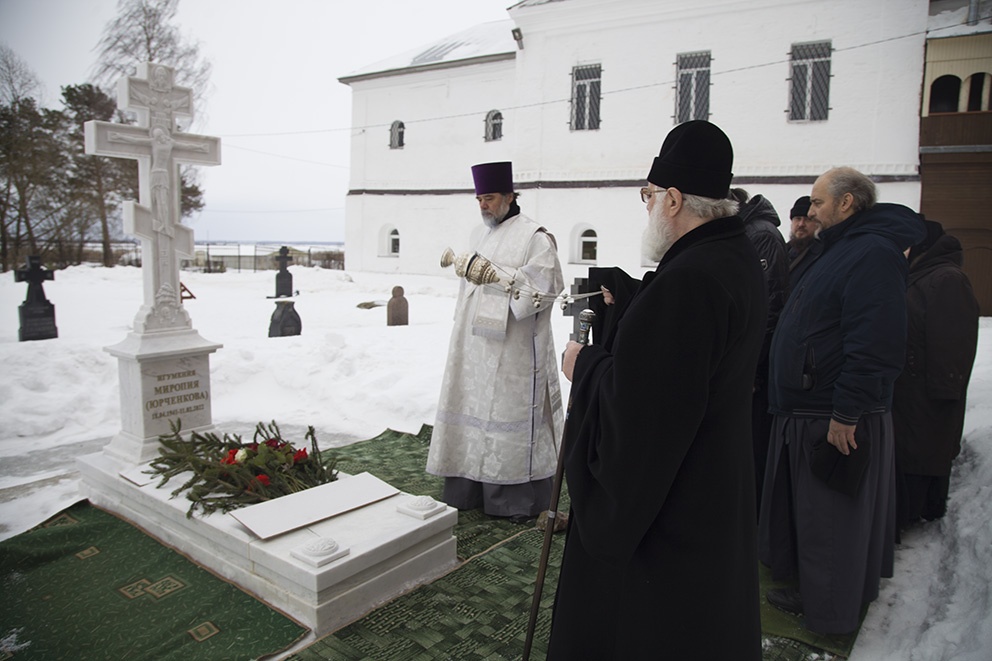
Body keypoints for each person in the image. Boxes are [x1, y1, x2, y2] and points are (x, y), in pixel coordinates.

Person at [548, 121, 766, 659]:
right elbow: (682, 361)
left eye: (648, 196)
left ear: (672, 199)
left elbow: (642, 420)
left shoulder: (690, 281)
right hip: (715, 488)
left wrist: (587, 365)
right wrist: (631, 303)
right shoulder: (733, 256)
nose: (645, 206)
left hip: (672, 521)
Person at [759, 167, 925, 635]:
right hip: (811, 408)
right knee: (817, 522)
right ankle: (818, 593)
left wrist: (846, 411)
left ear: (847, 203)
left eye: (817, 202)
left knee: (831, 523)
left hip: (832, 414)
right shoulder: (842, 248)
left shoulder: (871, 252)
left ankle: (830, 613)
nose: (810, 211)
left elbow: (875, 341)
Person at [427, 161, 565, 523]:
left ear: (508, 196)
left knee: (506, 414)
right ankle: (466, 487)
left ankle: (511, 499)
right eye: (479, 199)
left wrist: (496, 278)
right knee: (470, 407)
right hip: (473, 348)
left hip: (513, 350)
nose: (483, 205)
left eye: (488, 198)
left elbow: (545, 289)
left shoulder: (536, 236)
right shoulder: (480, 234)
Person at [892, 219, 979, 530]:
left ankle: (919, 510)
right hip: (912, 390)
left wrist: (943, 392)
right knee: (913, 452)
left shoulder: (946, 279)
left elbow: (954, 340)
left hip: (928, 393)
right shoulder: (921, 275)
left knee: (923, 453)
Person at [730, 187, 790, 513]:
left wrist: (751, 367)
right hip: (751, 363)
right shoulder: (751, 232)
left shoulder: (761, 235)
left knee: (754, 448)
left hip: (758, 369)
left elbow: (769, 305)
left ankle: (754, 521)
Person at [785, 195, 822, 288]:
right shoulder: (784, 250)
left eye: (807, 219)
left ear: (817, 224)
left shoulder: (820, 255)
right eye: (797, 219)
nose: (801, 224)